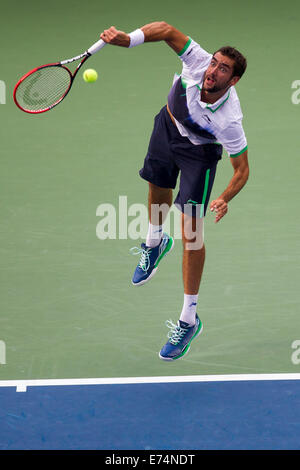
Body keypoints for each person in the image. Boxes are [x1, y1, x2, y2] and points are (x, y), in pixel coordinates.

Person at [100, 22, 249, 361]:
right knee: (157, 185)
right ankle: (154, 242)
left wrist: (225, 196)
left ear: (234, 80)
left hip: (200, 153)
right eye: (214, 62)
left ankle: (188, 319)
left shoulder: (230, 120)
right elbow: (167, 30)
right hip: (167, 126)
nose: (212, 70)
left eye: (223, 69)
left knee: (192, 235)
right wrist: (128, 40)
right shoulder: (197, 63)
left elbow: (243, 169)